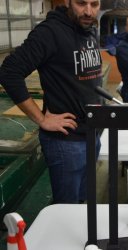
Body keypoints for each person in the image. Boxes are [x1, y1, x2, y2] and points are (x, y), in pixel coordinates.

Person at [0, 0, 103, 204]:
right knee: (67, 209)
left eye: (95, 4)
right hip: (66, 142)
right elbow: (9, 72)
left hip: (91, 134)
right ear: (68, 2)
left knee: (83, 203)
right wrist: (42, 119)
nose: (89, 11)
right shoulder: (50, 32)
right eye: (81, 3)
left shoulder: (89, 29)